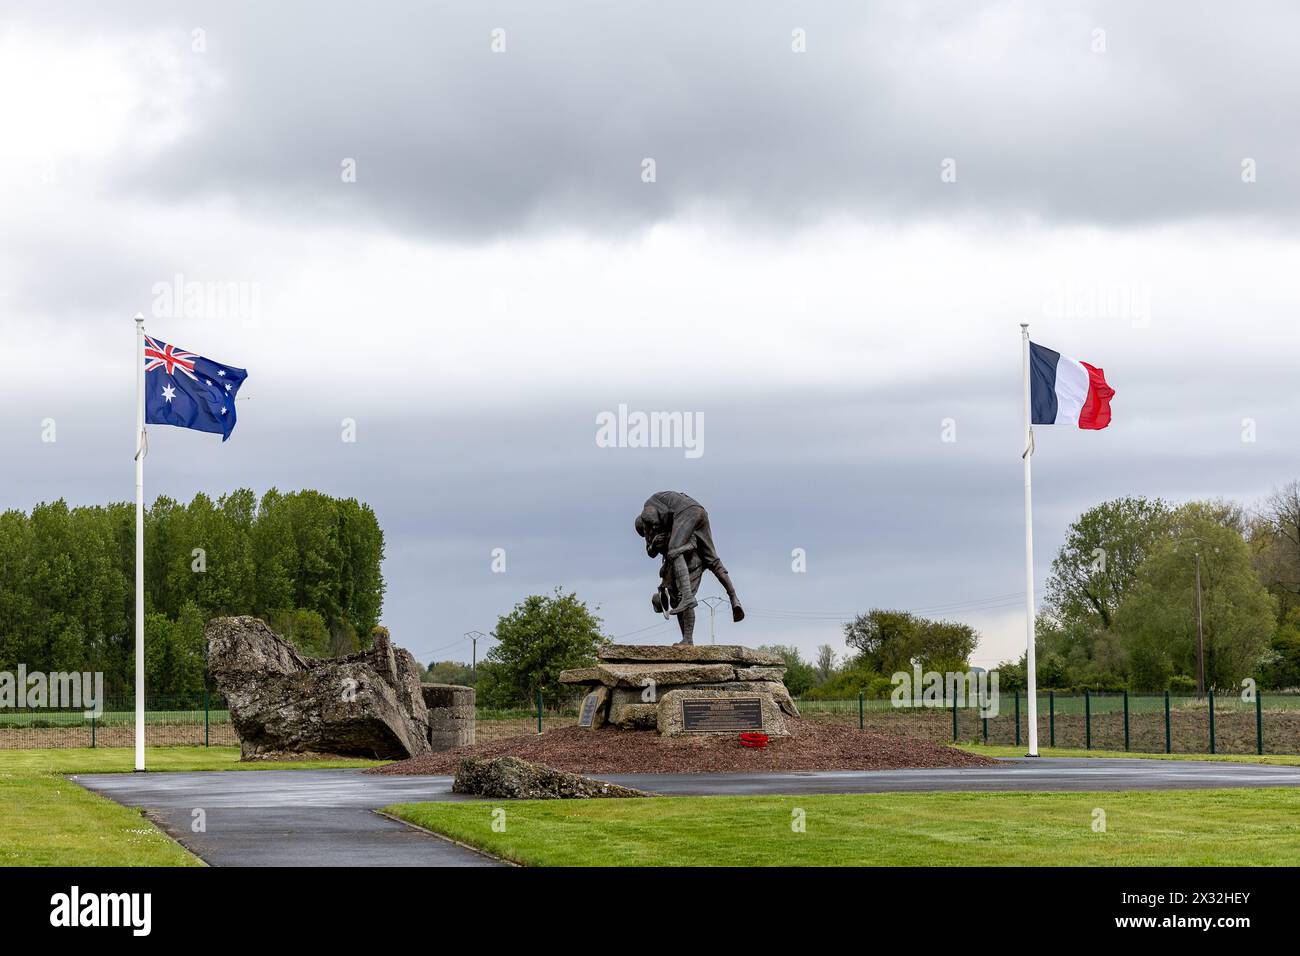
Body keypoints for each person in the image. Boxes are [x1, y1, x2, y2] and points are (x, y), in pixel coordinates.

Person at [634, 492, 744, 641]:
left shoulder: (649, 514)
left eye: (650, 530)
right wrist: (655, 543)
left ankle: (687, 598)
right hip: (697, 518)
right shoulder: (667, 530)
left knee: (674, 552)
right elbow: (652, 552)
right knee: (713, 561)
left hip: (689, 525)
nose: (652, 532)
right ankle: (733, 599)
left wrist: (669, 542)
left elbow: (688, 543)